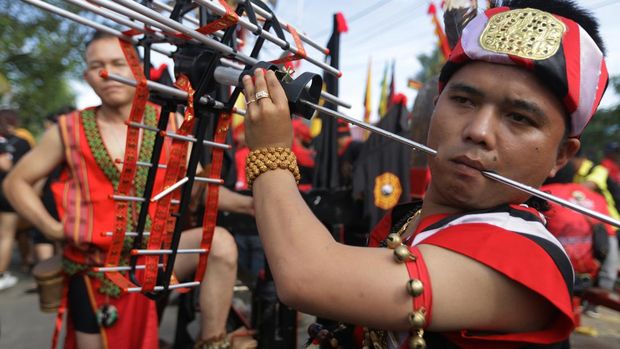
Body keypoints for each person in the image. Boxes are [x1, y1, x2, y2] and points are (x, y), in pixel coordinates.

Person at [239, 0, 609, 348]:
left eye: (519, 117)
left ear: (562, 154)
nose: (478, 130)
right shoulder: (413, 218)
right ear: (436, 107)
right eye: (464, 100)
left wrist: (270, 151)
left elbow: (308, 276)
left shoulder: (526, 257)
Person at [3, 32, 255, 349]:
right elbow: (15, 183)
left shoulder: (170, 122)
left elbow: (199, 189)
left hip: (152, 256)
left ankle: (212, 342)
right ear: (87, 76)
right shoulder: (68, 128)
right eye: (98, 66)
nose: (107, 73)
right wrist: (52, 228)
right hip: (93, 266)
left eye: (117, 63)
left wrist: (250, 204)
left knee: (220, 243)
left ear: (136, 68)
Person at [0, 109, 32, 291]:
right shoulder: (20, 142)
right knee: (7, 235)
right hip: (7, 192)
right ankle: (1, 275)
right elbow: (7, 166)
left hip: (8, 193)